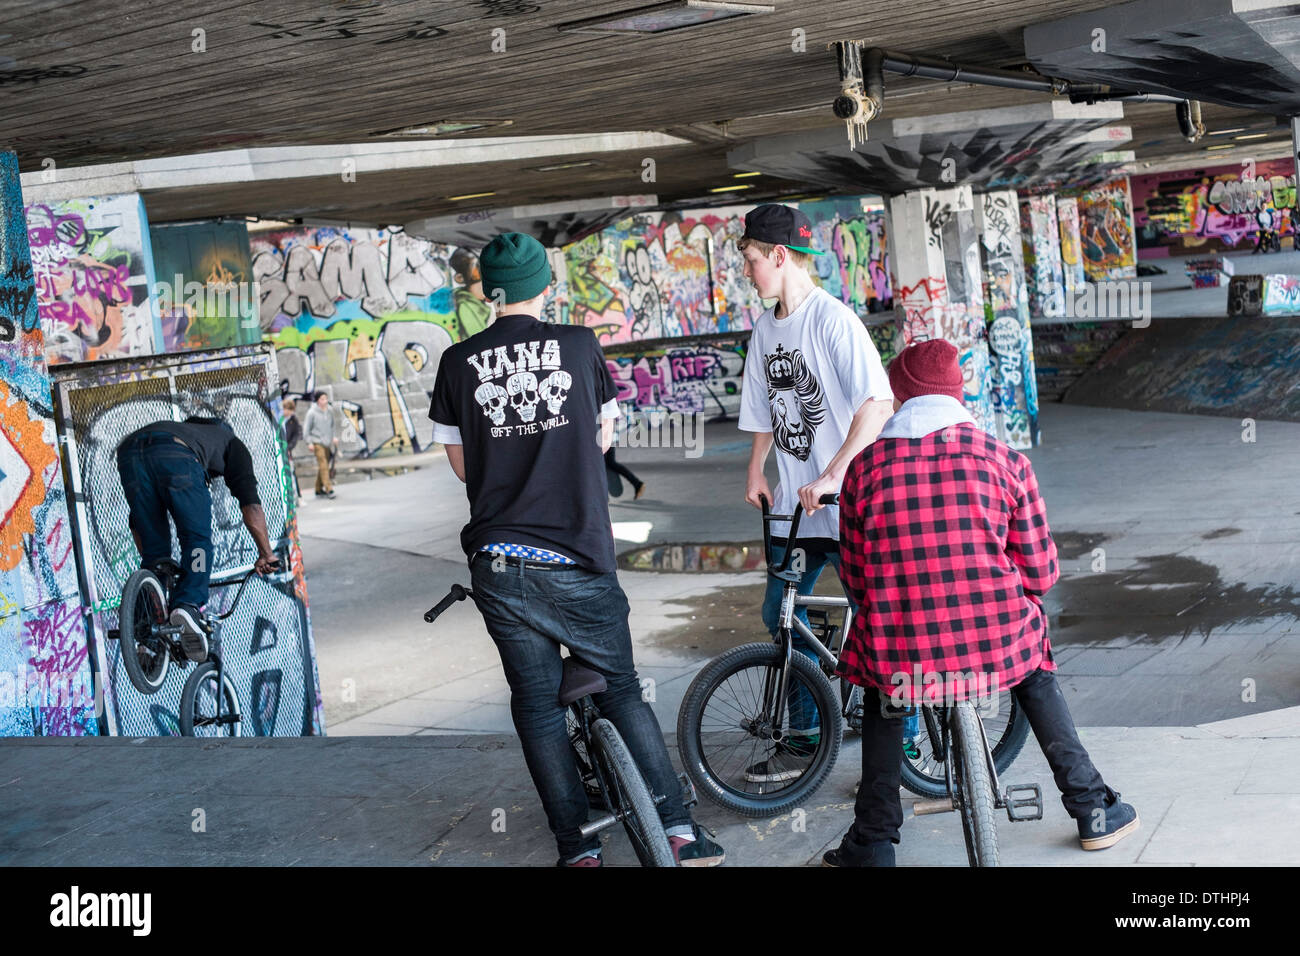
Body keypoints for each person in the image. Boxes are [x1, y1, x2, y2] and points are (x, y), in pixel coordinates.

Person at [429, 231, 723, 867]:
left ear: (488, 291)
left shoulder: (456, 363)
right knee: (619, 689)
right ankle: (678, 830)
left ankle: (576, 851)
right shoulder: (579, 346)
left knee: (536, 706)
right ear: (544, 286)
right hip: (577, 558)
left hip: (501, 563)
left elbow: (461, 467)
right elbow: (601, 435)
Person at [826, 339, 1138, 866]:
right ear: (956, 393)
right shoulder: (1005, 460)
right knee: (1036, 669)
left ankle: (874, 840)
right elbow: (1040, 572)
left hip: (902, 645)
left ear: (900, 395)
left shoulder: (864, 469)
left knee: (884, 691)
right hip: (995, 636)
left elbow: (857, 579)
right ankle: (1091, 808)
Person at [736, 203, 894, 782]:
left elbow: (877, 405)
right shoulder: (764, 329)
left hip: (848, 507)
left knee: (881, 624)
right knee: (781, 615)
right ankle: (804, 739)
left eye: (752, 260)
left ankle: (905, 742)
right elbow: (760, 410)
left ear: (780, 256)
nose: (748, 272)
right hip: (796, 513)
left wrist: (833, 474)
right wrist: (757, 470)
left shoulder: (833, 321)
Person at [116, 416, 280, 662]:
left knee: (155, 556)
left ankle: (146, 638)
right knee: (197, 542)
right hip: (177, 458)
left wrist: (150, 571)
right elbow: (251, 507)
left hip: (128, 455)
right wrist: (266, 553)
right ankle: (189, 604)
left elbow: (136, 522)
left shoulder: (189, 432)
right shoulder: (231, 443)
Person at [304, 392, 337, 499]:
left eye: (326, 399)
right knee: (323, 464)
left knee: (324, 465)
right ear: (318, 400)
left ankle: (318, 489)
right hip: (317, 441)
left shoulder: (330, 410)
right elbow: (306, 429)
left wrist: (334, 437)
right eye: (322, 399)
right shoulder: (311, 412)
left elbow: (333, 425)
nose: (325, 401)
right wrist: (309, 442)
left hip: (327, 442)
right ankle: (329, 489)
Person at [280, 398, 303, 501]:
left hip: (287, 448)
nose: (286, 412)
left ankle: (297, 495)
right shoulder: (279, 419)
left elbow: (296, 435)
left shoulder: (293, 420)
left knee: (291, 472)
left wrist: (289, 447)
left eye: (289, 410)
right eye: (285, 409)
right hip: (279, 448)